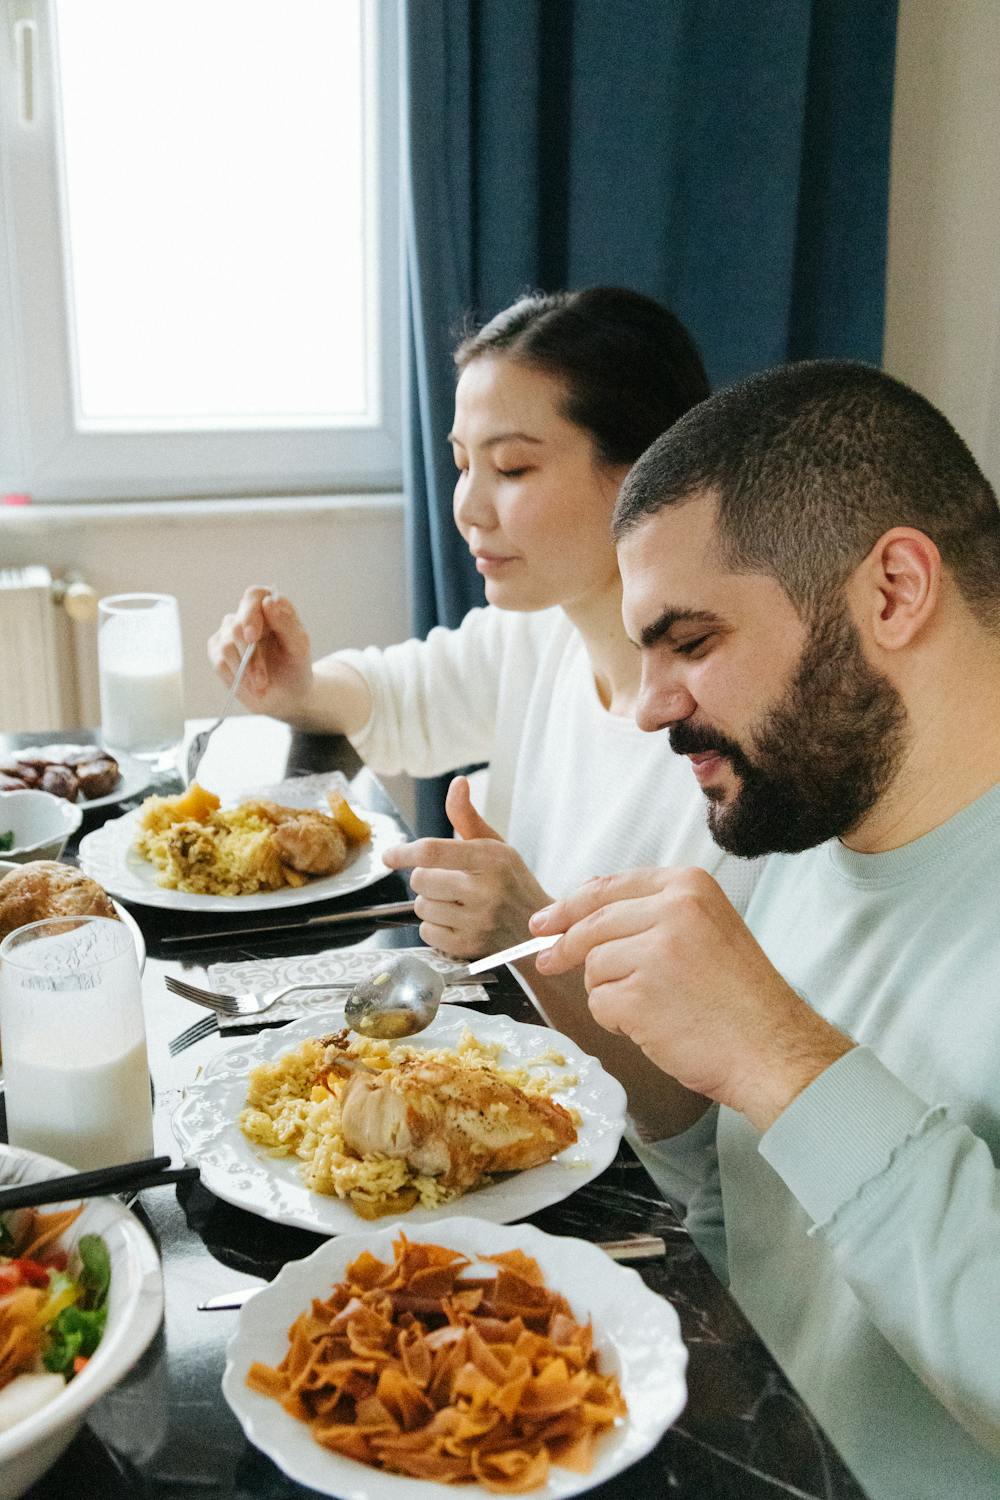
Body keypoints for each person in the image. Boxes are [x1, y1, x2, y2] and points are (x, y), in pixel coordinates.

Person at [530, 360, 1000, 1500]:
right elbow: (759, 1232)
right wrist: (653, 1076)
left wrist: (778, 1056)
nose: (645, 705)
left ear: (892, 589)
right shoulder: (799, 826)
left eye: (689, 641)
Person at [208, 287, 762, 1135]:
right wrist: (297, 689)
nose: (467, 506)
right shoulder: (540, 634)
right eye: (462, 461)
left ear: (646, 473)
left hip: (634, 1169)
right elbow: (400, 696)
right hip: (529, 1088)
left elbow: (688, 1116)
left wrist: (530, 933)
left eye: (511, 468)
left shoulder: (727, 747)